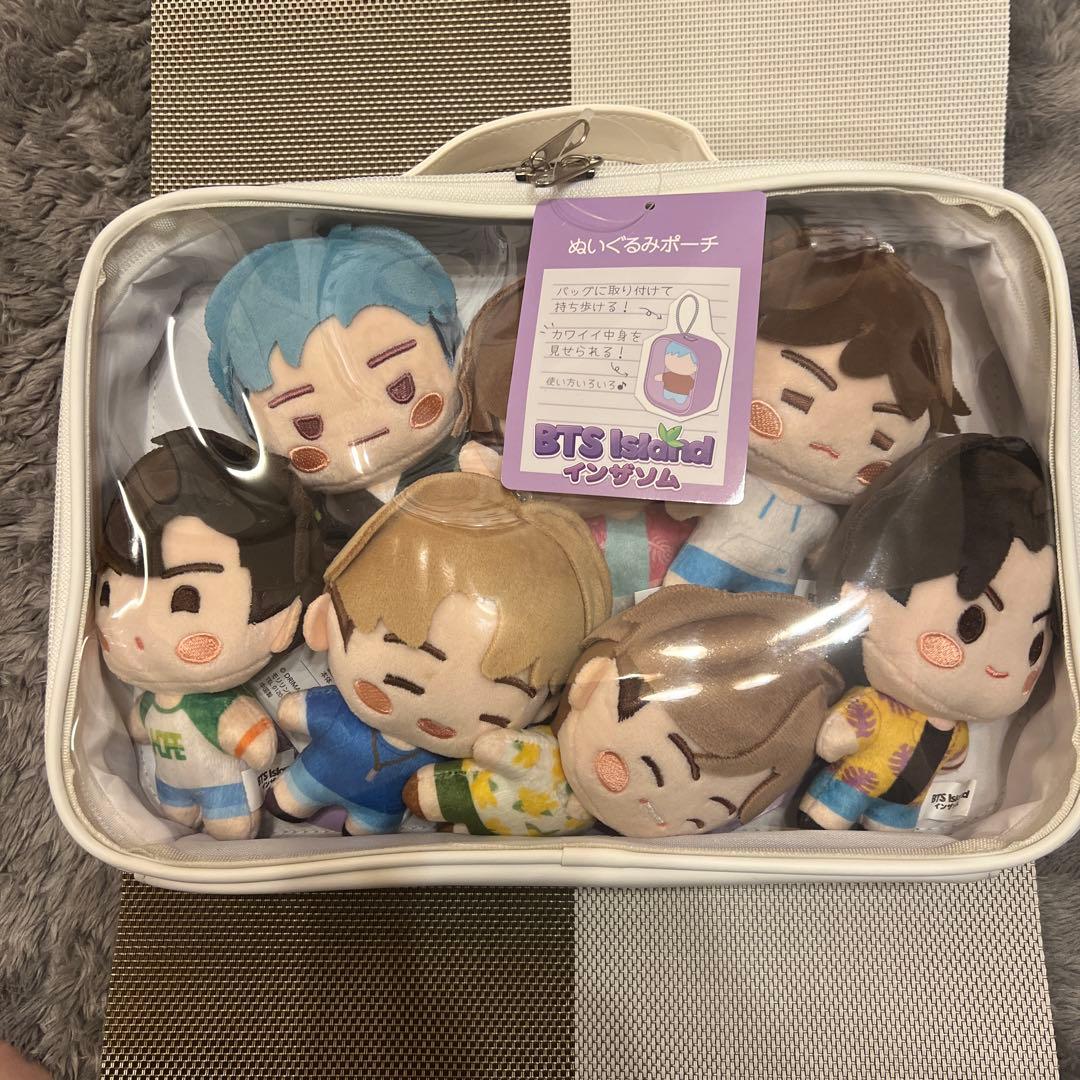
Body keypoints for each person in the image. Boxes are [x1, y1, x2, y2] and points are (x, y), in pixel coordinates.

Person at [265, 471, 612, 834]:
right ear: (322, 622)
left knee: (365, 833)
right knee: (295, 797)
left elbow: (434, 793)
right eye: (402, 649)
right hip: (311, 778)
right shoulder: (349, 720)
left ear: (544, 708)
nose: (433, 699)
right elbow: (293, 712)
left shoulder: (439, 763)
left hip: (379, 816)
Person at [665, 233, 969, 593]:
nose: (828, 445)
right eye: (797, 399)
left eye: (880, 439)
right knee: (678, 599)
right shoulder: (731, 479)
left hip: (775, 586)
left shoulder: (824, 521)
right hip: (705, 562)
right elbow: (680, 503)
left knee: (764, 621)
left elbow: (829, 560)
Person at [800, 434, 1056, 830]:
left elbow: (953, 756)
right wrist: (842, 732)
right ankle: (828, 812)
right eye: (970, 626)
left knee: (895, 843)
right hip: (856, 780)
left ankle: (890, 830)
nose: (1000, 669)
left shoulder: (954, 729)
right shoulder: (880, 708)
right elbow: (842, 732)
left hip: (910, 801)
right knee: (828, 815)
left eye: (1034, 646)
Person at [95, 428, 325, 839]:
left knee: (230, 825)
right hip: (170, 786)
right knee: (175, 808)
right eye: (108, 593)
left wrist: (252, 738)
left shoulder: (216, 707)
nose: (138, 634)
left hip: (225, 790)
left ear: (283, 620)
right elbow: (139, 725)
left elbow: (254, 741)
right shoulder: (151, 701)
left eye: (187, 600)